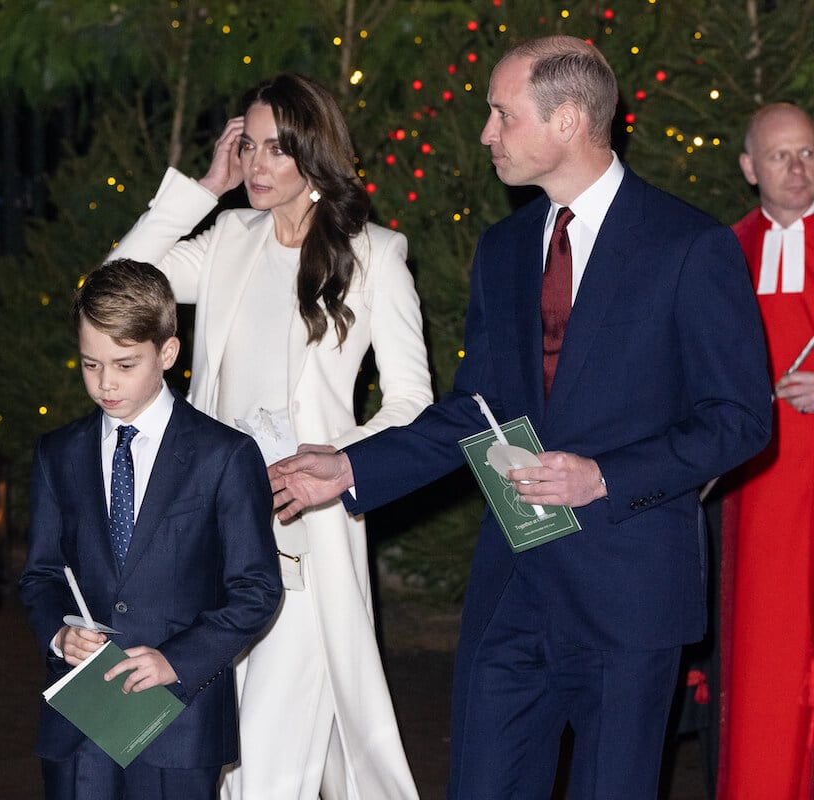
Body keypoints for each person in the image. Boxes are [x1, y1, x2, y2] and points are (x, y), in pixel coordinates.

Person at [268, 36, 773, 798]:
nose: (487, 133)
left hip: (627, 598)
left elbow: (739, 421)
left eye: (502, 114)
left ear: (568, 119)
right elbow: (478, 409)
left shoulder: (688, 245)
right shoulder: (504, 248)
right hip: (514, 586)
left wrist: (605, 477)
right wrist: (350, 467)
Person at [109, 72, 430, 800]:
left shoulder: (376, 254)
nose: (255, 163)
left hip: (304, 535)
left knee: (268, 761)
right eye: (246, 146)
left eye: (274, 149)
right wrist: (201, 187)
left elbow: (413, 403)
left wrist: (340, 461)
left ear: (313, 154)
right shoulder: (228, 238)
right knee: (216, 750)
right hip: (211, 528)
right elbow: (119, 283)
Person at [18, 258, 282, 800]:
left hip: (178, 720)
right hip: (81, 713)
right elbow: (41, 574)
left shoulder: (224, 455)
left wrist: (175, 660)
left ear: (167, 352)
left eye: (124, 364)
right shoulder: (58, 453)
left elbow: (256, 588)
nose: (105, 383)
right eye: (90, 365)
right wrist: (58, 634)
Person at [719, 102, 814, 799]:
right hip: (752, 488)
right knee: (761, 657)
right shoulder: (724, 249)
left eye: (809, 152)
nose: (799, 169)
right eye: (781, 156)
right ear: (751, 168)